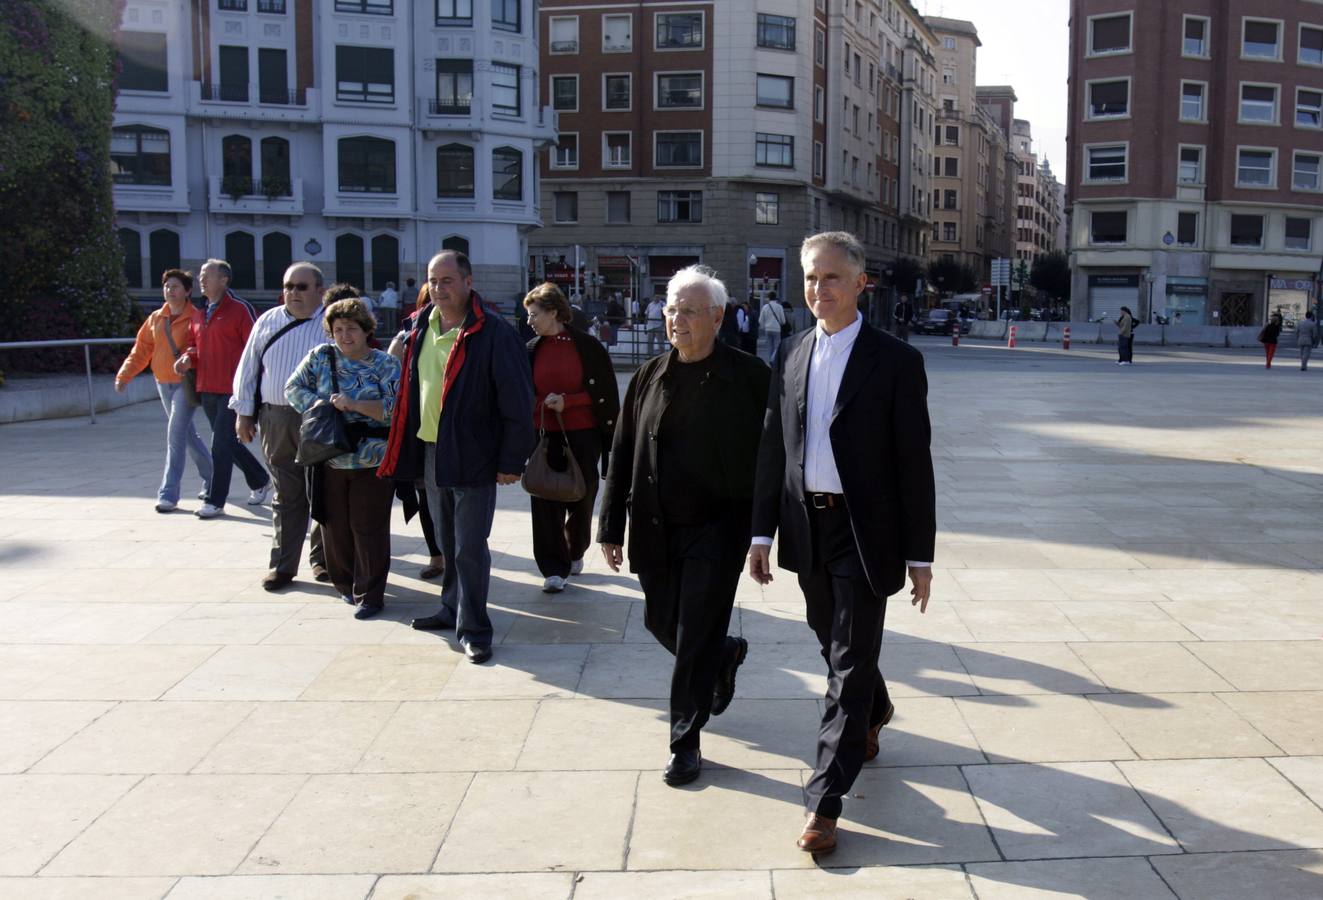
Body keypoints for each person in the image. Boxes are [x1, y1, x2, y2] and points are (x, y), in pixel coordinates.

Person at [749, 231, 935, 857]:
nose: (817, 290)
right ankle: (876, 708)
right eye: (809, 278)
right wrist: (761, 531)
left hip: (866, 530)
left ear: (861, 283)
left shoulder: (896, 361)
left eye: (831, 278)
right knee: (829, 638)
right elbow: (775, 444)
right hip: (808, 527)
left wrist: (920, 556)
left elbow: (914, 463)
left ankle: (825, 802)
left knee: (847, 665)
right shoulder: (791, 351)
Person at [599, 265, 770, 788]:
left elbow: (774, 455)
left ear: (717, 317)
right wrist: (609, 524)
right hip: (656, 524)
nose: (677, 320)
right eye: (672, 309)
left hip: (718, 528)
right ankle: (723, 653)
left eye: (690, 311)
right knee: (661, 622)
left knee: (693, 631)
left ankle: (684, 741)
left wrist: (765, 531)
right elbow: (623, 448)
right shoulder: (651, 374)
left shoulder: (750, 377)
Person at [379, 250, 535, 665]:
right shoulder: (419, 327)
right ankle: (451, 609)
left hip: (475, 455)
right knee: (447, 541)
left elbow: (519, 402)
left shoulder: (495, 333)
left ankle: (476, 629)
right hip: (431, 450)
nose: (439, 288)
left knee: (469, 545)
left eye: (448, 280)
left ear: (468, 282)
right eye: (433, 280)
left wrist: (511, 461)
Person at [286, 298, 401, 619]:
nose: (345, 335)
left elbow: (395, 409)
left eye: (351, 329)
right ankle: (346, 583)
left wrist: (354, 405)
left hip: (372, 459)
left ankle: (371, 593)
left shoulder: (385, 364)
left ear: (366, 331)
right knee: (333, 524)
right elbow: (292, 389)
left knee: (368, 527)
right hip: (330, 455)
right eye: (337, 330)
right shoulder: (321, 357)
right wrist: (325, 405)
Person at [230, 262, 331, 590]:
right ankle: (283, 566)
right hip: (275, 417)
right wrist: (244, 413)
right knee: (287, 494)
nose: (293, 293)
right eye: (289, 286)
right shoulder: (268, 321)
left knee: (322, 491)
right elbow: (248, 368)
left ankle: (324, 560)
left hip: (319, 418)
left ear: (319, 290)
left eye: (302, 287)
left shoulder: (331, 324)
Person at [524, 283, 620, 592]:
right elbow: (520, 394)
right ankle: (553, 568)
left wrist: (570, 401)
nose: (530, 321)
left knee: (582, 494)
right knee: (544, 498)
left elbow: (603, 392)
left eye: (534, 314)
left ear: (553, 312)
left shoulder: (587, 347)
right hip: (544, 435)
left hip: (583, 434)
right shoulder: (530, 349)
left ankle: (575, 547)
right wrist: (542, 405)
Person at [174, 259, 272, 519]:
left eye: (207, 275)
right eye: (200, 276)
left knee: (221, 443)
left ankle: (215, 500)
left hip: (234, 390)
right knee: (226, 442)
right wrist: (188, 357)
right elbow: (194, 344)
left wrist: (254, 389)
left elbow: (257, 348)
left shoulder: (240, 309)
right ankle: (260, 479)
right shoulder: (200, 312)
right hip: (206, 387)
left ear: (224, 280)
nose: (201, 280)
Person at [116, 268, 213, 513]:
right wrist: (124, 375)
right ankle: (213, 478)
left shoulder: (196, 317)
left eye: (176, 286)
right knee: (187, 435)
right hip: (162, 382)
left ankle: (168, 494)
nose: (170, 290)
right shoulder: (156, 318)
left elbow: (202, 350)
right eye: (167, 286)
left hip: (185, 384)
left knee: (175, 435)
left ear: (187, 291)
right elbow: (141, 350)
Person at [758, 293, 788, 364]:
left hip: (768, 329)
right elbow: (783, 321)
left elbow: (760, 320)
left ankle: (770, 360)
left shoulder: (765, 307)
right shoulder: (779, 307)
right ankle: (773, 359)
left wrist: (764, 326)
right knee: (777, 346)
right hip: (777, 329)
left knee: (770, 346)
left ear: (768, 298)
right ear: (776, 298)